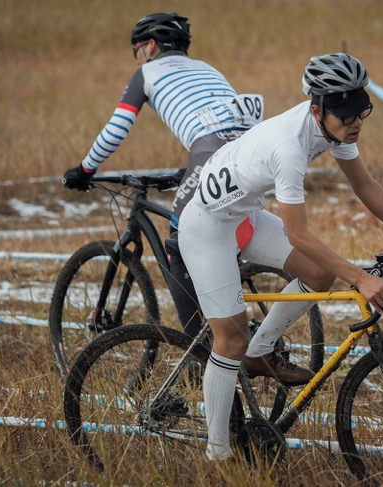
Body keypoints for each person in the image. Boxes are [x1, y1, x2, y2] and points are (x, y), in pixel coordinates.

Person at [177, 52, 383, 461]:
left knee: (320, 276)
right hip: (206, 228)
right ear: (316, 109)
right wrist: (361, 278)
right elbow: (299, 234)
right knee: (230, 339)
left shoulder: (332, 130)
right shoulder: (288, 147)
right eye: (346, 117)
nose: (355, 124)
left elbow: (366, 186)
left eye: (361, 113)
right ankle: (217, 455)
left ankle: (262, 350)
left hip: (244, 218)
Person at [62, 12, 264, 339]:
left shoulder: (146, 73)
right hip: (250, 150)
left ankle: (200, 351)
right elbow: (226, 123)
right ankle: (233, 318)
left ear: (151, 45)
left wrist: (85, 169)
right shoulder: (207, 68)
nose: (138, 56)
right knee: (223, 237)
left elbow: (116, 130)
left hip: (211, 153)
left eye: (137, 50)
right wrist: (189, 170)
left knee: (180, 244)